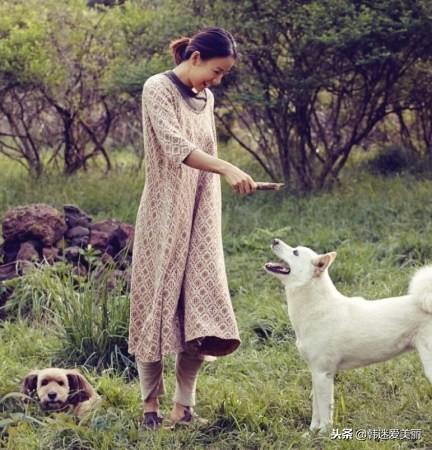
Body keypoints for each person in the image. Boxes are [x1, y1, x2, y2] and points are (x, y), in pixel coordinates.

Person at [128, 27, 257, 429]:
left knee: (199, 307)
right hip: (165, 213)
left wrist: (219, 177)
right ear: (196, 57)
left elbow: (206, 152)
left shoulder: (207, 97)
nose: (216, 81)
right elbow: (175, 146)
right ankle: (150, 408)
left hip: (201, 211)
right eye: (215, 71)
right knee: (154, 305)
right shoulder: (157, 88)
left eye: (223, 76)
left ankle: (184, 409)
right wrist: (228, 167)